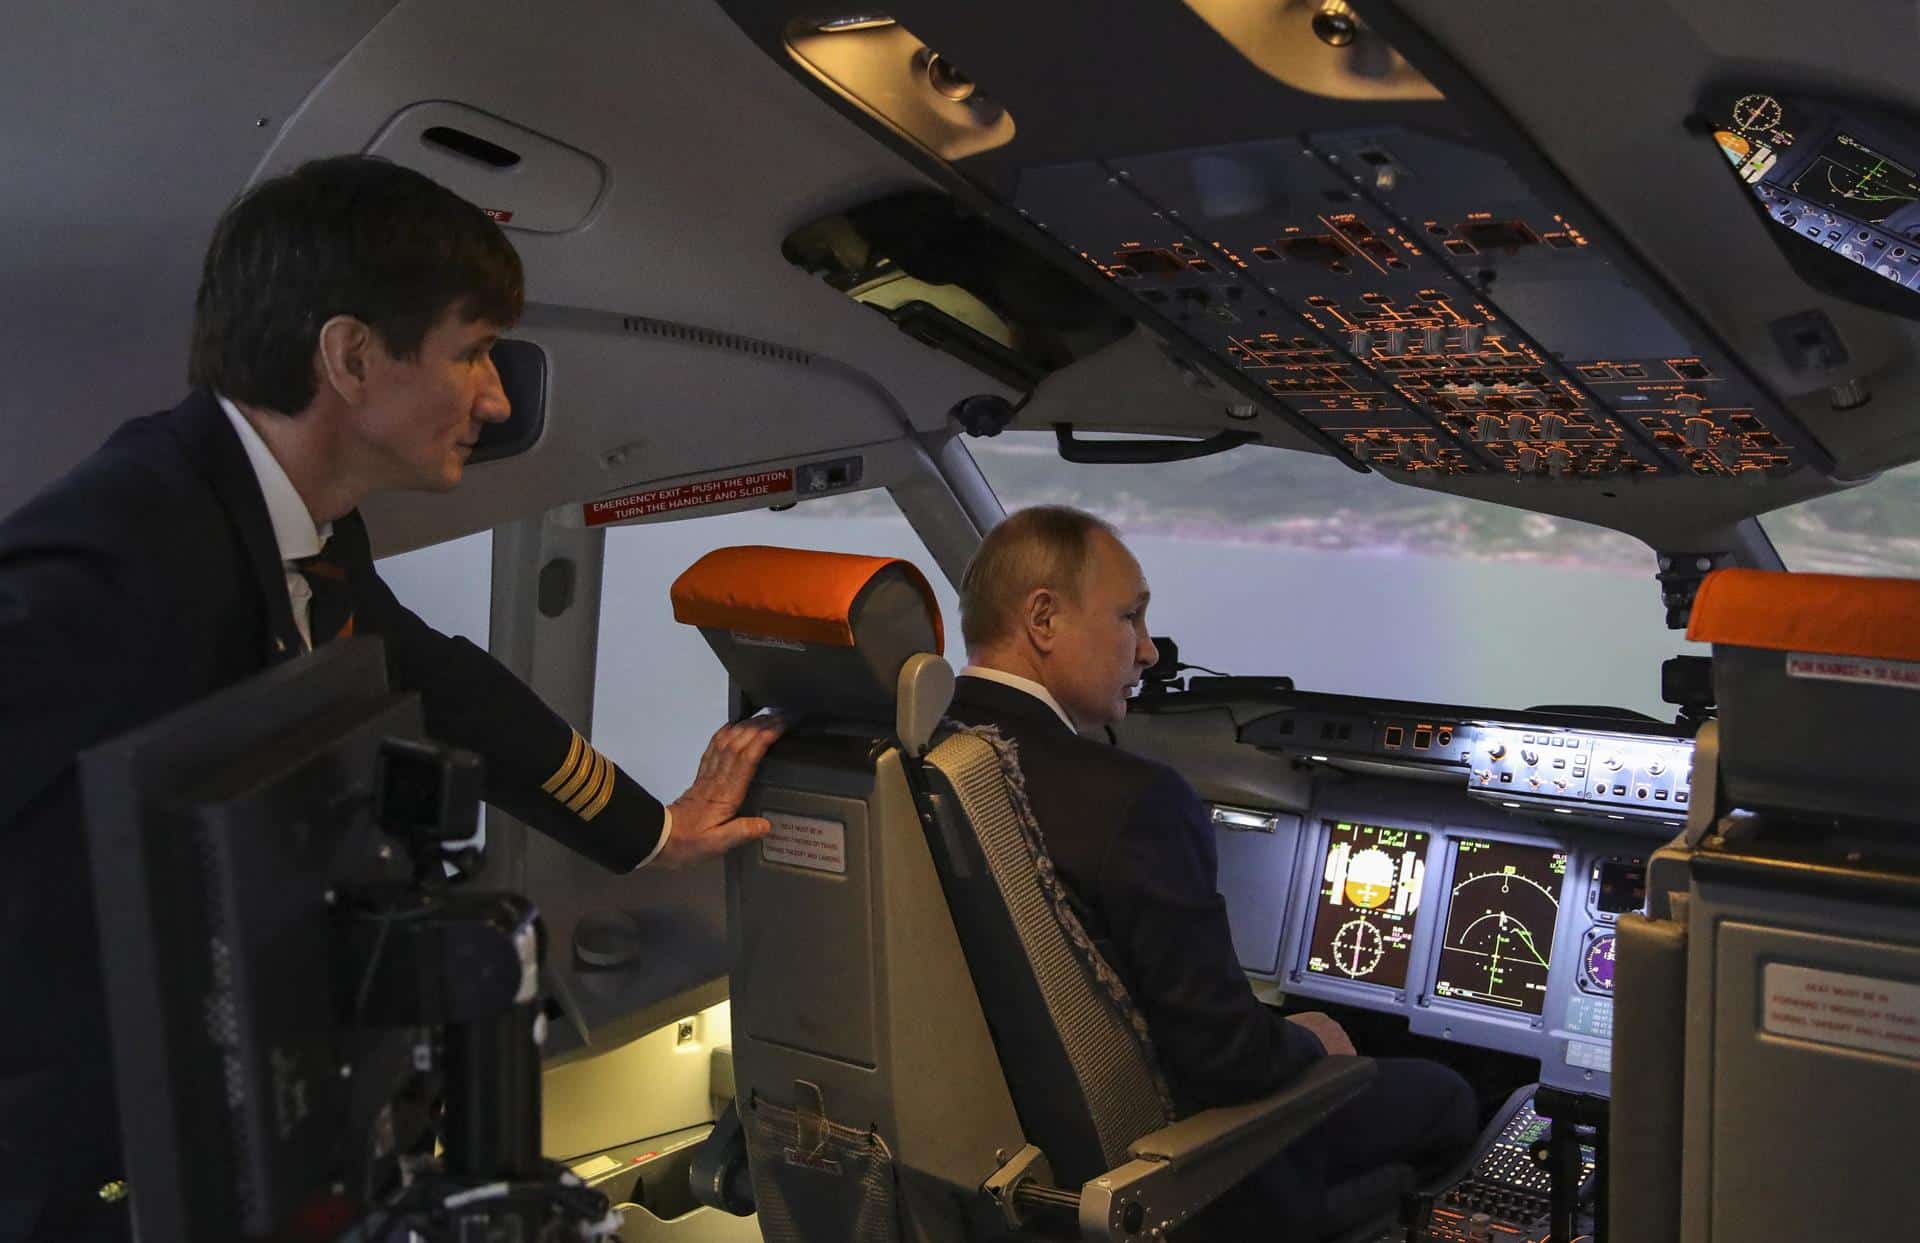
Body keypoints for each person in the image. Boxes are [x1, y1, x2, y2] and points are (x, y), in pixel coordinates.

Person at [0, 156, 781, 1241]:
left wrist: (649, 828)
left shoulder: (306, 535)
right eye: (472, 353)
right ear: (354, 357)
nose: (498, 396)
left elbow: (436, 678)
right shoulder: (128, 551)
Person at [947, 505, 1476, 1238]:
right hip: (1157, 1171)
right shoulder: (1132, 800)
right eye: (1128, 617)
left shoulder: (920, 761)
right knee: (1449, 1094)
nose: (1148, 652)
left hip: (1007, 1153)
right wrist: (1310, 1040)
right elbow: (1224, 1059)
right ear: (1043, 618)